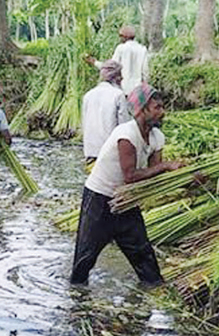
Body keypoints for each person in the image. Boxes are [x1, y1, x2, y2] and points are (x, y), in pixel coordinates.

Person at [70, 83, 183, 287]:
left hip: (127, 200)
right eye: (157, 107)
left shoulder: (157, 137)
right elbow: (130, 175)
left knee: (143, 255)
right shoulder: (126, 135)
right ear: (142, 110)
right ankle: (77, 299)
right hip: (100, 198)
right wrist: (166, 166)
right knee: (85, 259)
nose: (162, 112)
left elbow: (153, 175)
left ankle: (154, 290)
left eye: (162, 107)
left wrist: (185, 177)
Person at [81, 59, 130, 173]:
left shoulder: (88, 95)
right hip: (110, 154)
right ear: (116, 77)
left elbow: (84, 125)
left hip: (90, 152)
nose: (122, 78)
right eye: (120, 75)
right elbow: (124, 127)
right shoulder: (118, 95)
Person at [85, 26, 149, 95]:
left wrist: (95, 62)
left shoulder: (121, 48)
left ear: (125, 37)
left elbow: (111, 68)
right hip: (137, 90)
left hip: (123, 88)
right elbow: (145, 72)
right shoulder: (142, 49)